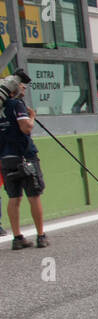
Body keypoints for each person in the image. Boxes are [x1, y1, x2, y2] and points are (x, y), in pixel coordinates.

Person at [0, 72, 48, 250]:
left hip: (5, 158)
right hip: (24, 157)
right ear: (14, 89)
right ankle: (41, 235)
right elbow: (26, 128)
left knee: (14, 198)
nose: (24, 88)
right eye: (22, 86)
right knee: (33, 196)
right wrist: (32, 116)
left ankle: (17, 237)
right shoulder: (16, 104)